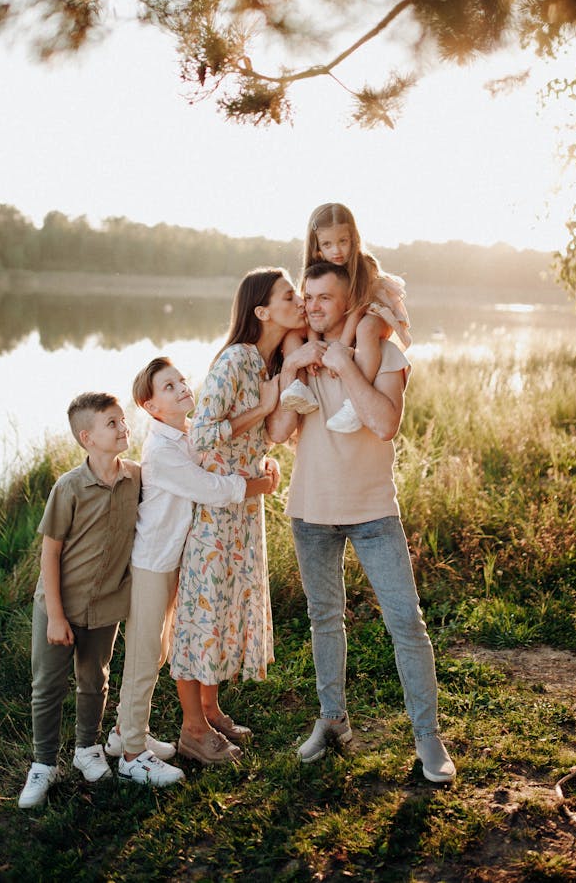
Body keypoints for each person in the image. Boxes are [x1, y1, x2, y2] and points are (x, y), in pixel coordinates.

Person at [268, 262, 455, 783]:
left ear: (349, 300)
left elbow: (384, 423)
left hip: (374, 512)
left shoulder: (385, 353)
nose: (313, 306)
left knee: (406, 623)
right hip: (310, 511)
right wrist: (292, 371)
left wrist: (344, 367)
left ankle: (428, 738)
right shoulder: (297, 355)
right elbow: (278, 431)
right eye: (308, 297)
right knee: (324, 619)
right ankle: (333, 722)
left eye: (325, 297)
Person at [105, 356, 280, 786]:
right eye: (169, 387)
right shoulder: (162, 450)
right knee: (145, 655)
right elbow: (211, 489)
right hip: (152, 563)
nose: (183, 387)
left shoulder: (185, 436)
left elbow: (217, 460)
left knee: (160, 649)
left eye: (182, 380)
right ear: (150, 406)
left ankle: (125, 733)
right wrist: (260, 486)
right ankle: (131, 755)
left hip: (174, 561)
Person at [169, 267, 304, 763]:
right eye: (290, 296)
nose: (300, 301)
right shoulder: (234, 360)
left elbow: (253, 435)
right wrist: (262, 406)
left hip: (243, 508)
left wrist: (263, 459)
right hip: (214, 514)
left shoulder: (265, 362)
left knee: (224, 608)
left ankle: (212, 710)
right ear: (262, 311)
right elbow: (201, 436)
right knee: (201, 614)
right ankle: (191, 730)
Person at [18, 392, 141, 809]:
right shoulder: (68, 487)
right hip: (59, 604)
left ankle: (86, 749)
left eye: (123, 420)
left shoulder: (137, 478)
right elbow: (50, 552)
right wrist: (55, 616)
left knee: (95, 679)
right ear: (87, 437)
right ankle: (44, 763)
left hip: (106, 604)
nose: (124, 427)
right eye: (112, 423)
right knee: (48, 686)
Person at [281, 201, 412, 434]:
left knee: (367, 329)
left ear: (354, 238)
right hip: (352, 315)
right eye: (328, 244)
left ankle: (354, 404)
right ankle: (297, 387)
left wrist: (341, 347)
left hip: (372, 310)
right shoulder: (317, 269)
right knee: (294, 333)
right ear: (317, 246)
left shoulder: (364, 265)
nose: (336, 251)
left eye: (343, 241)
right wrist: (313, 343)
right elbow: (311, 312)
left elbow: (358, 310)